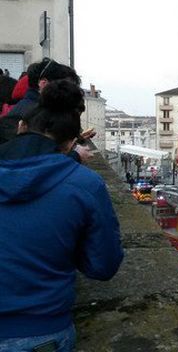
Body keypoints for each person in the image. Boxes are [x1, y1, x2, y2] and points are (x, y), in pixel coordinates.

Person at [0, 79, 124, 351]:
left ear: (21, 127)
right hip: (40, 333)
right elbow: (103, 266)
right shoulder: (84, 185)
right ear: (70, 144)